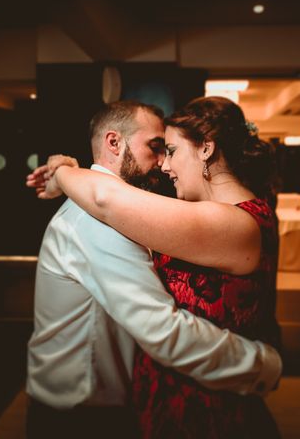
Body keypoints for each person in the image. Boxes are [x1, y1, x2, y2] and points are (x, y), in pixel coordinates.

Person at [25, 100, 282, 439]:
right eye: (157, 148)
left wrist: (62, 171)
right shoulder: (97, 219)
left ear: (206, 149)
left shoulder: (139, 210)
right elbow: (159, 327)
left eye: (170, 150)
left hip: (190, 403)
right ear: (114, 143)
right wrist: (260, 365)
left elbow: (105, 197)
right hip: (85, 415)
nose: (163, 164)